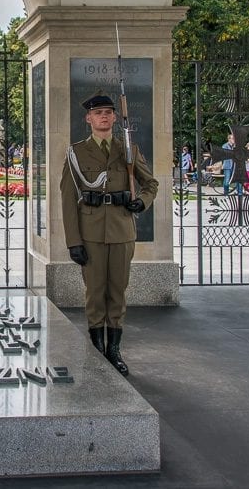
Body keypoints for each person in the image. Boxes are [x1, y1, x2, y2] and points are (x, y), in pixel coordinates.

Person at [60, 92, 159, 376]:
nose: (103, 116)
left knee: (117, 292)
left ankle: (114, 350)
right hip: (90, 234)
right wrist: (73, 241)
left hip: (121, 230)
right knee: (94, 293)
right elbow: (68, 200)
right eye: (98, 112)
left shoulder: (127, 150)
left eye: (108, 112)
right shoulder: (76, 153)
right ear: (88, 118)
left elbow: (150, 183)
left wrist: (141, 201)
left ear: (115, 117)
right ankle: (96, 350)